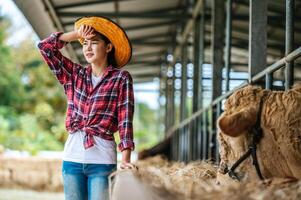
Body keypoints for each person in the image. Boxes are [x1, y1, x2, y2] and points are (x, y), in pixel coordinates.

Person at [37, 16, 136, 200]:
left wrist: (126, 160)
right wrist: (75, 35)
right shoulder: (75, 75)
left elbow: (125, 120)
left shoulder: (121, 78)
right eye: (85, 44)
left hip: (102, 161)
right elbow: (44, 47)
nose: (88, 48)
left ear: (108, 47)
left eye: (94, 42)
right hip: (71, 160)